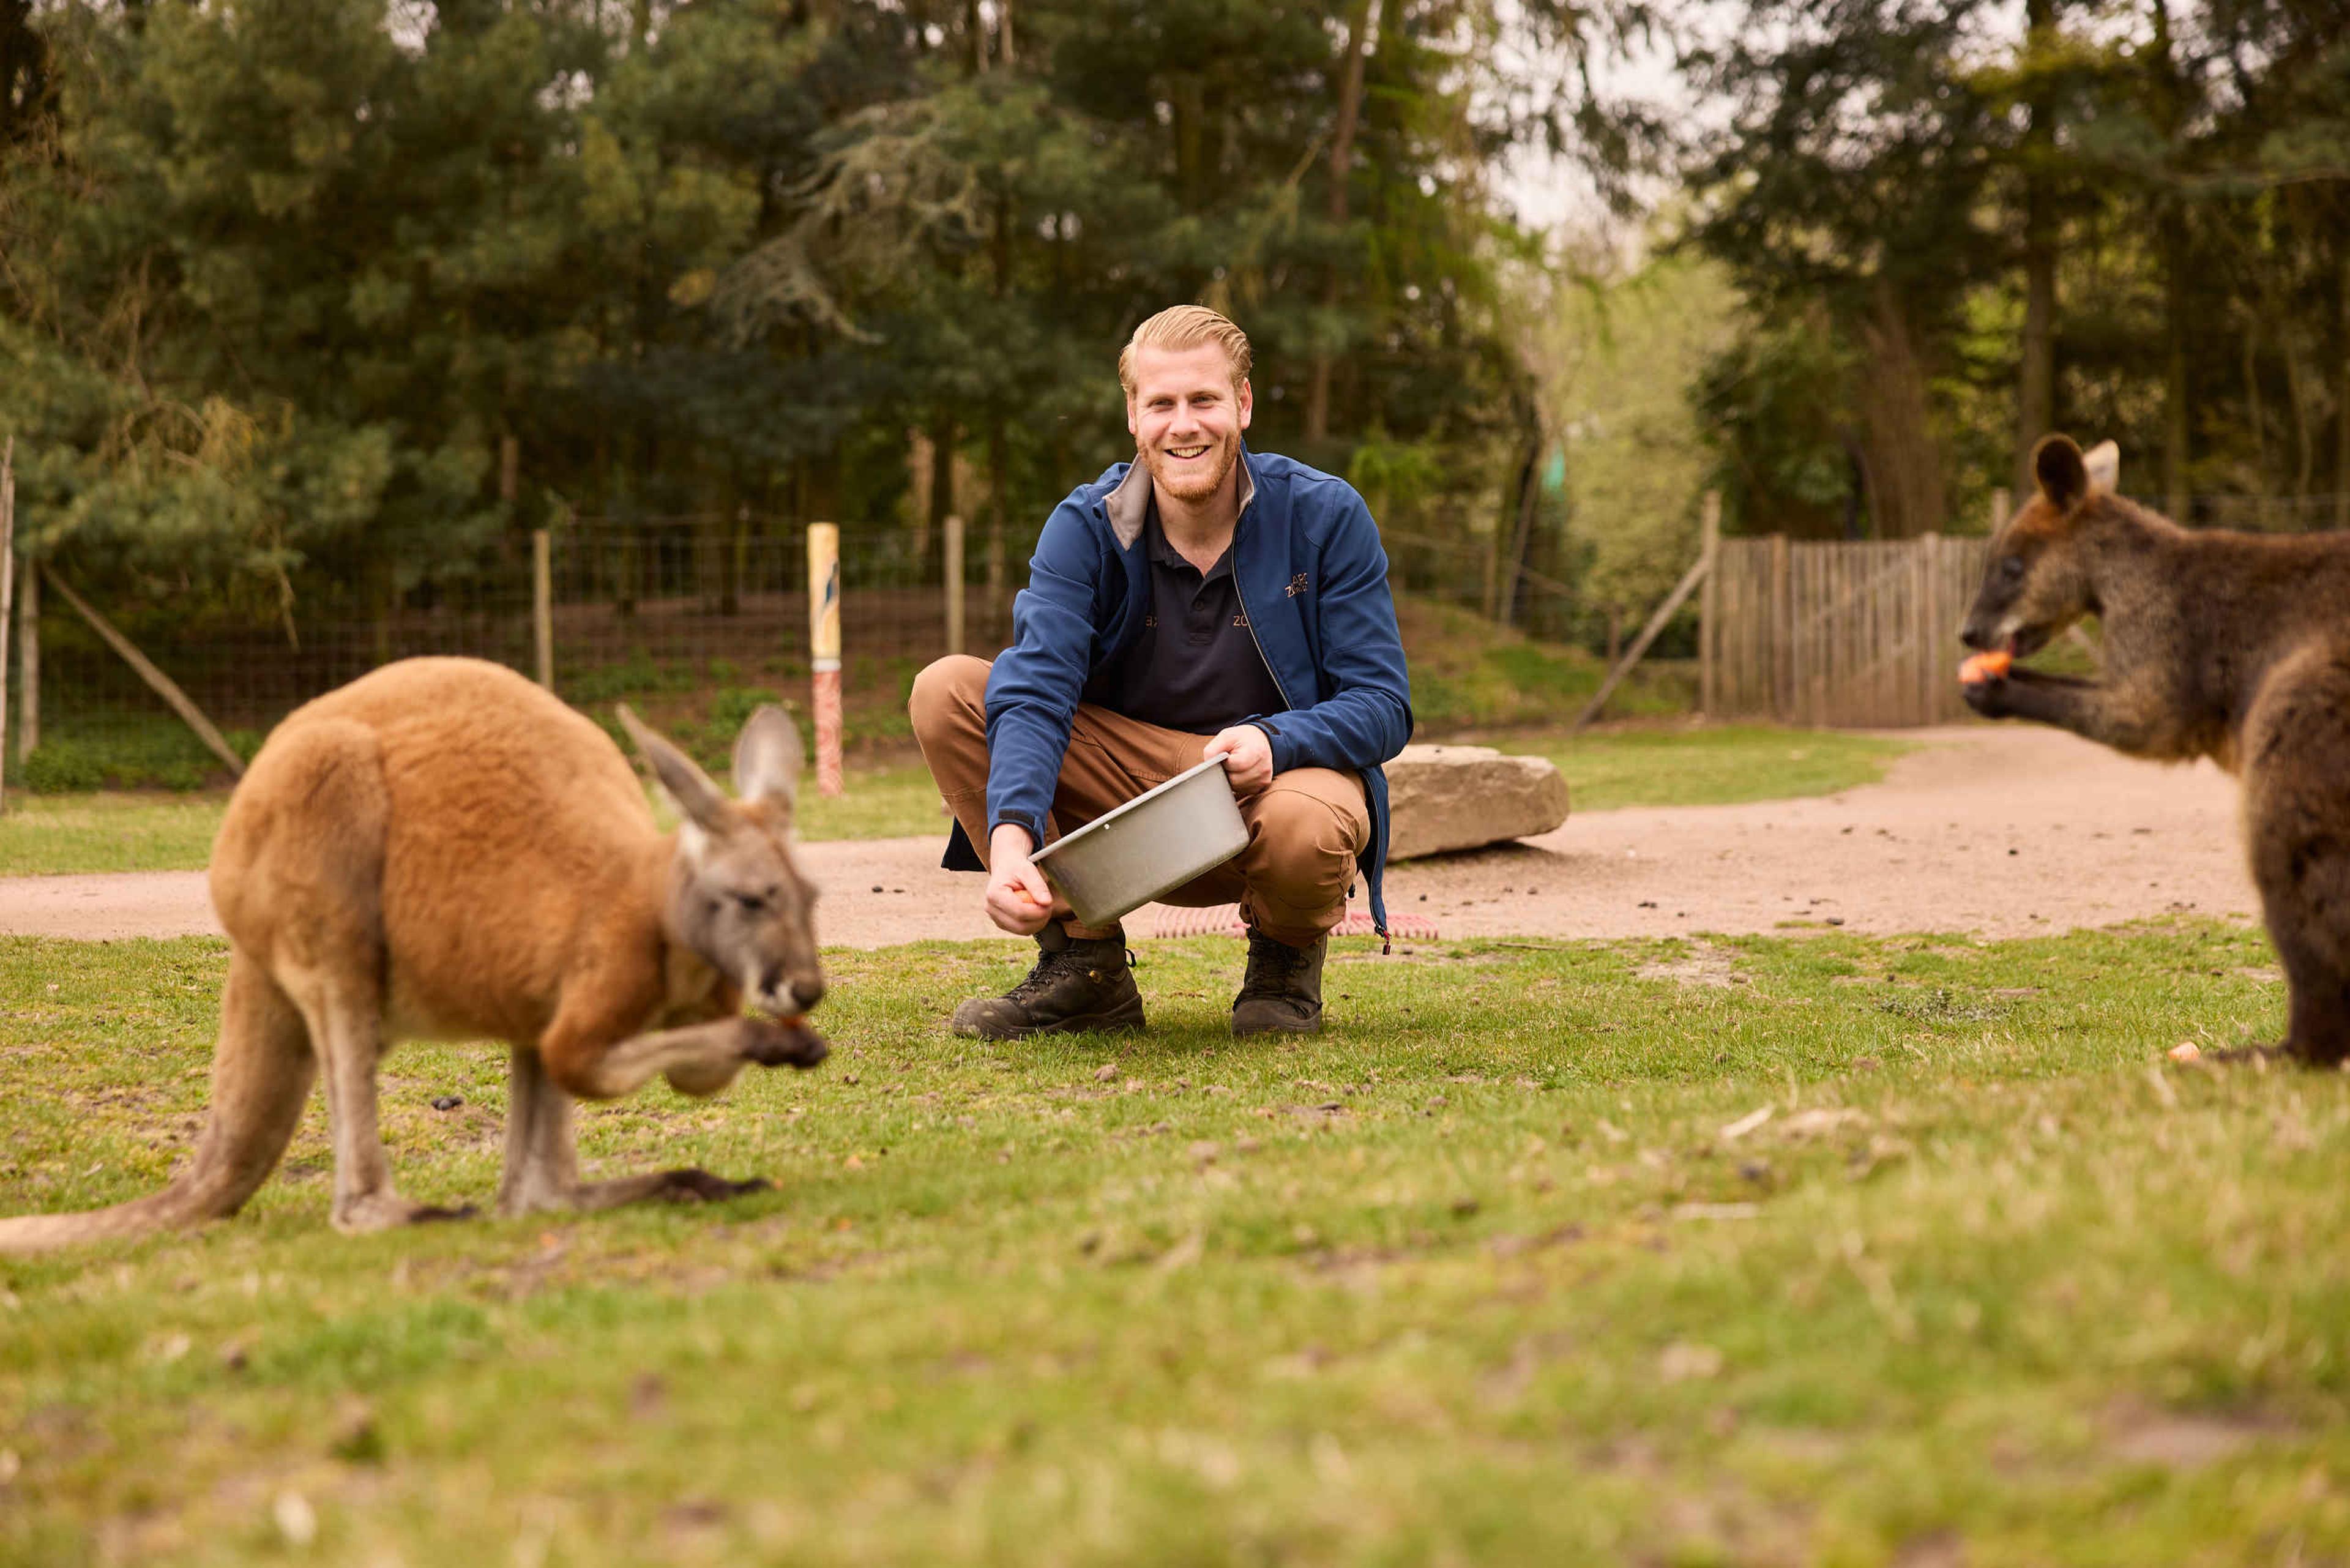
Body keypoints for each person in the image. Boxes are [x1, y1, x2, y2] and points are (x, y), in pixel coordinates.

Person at [908, 304, 1413, 1038]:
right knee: (947, 689)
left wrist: (1276, 740)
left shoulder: (1327, 515)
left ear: (1242, 403)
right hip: (1124, 790)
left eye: (1204, 400)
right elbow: (1037, 688)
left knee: (1308, 823)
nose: (1185, 425)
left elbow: (1384, 704)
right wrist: (1012, 834)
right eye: (1162, 404)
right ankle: (1085, 972)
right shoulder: (1084, 526)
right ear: (1133, 416)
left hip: (1268, 789)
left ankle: (1285, 962)